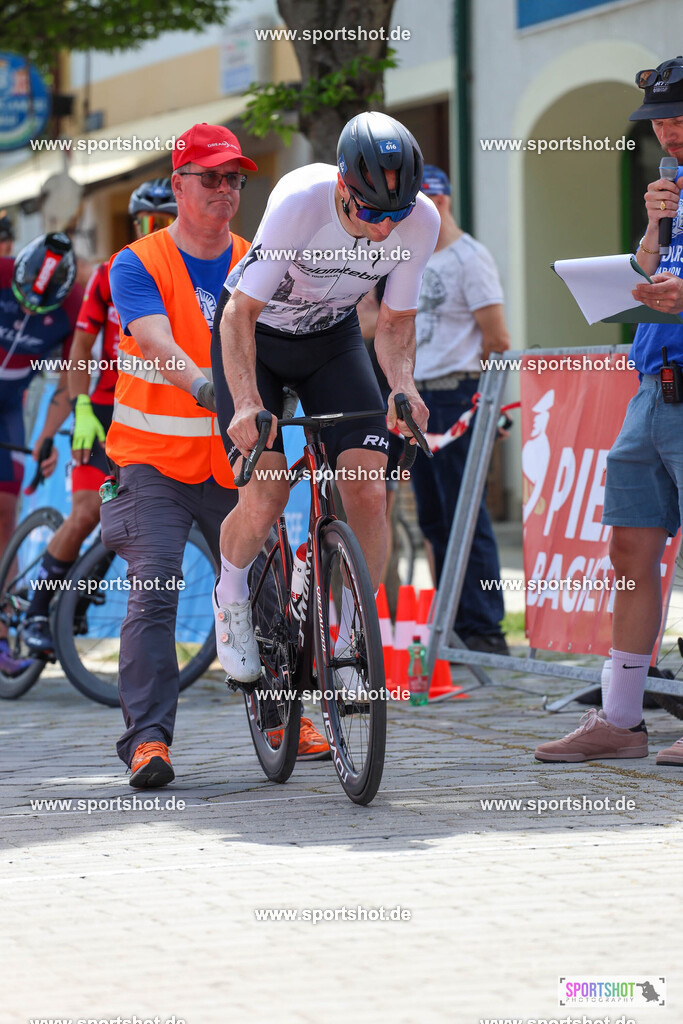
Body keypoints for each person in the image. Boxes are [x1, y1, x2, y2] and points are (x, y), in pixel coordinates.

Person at [105, 124, 329, 788]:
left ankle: (280, 719)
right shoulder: (137, 260)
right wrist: (210, 388)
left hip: (238, 459)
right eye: (211, 177)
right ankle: (148, 742)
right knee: (155, 589)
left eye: (235, 179)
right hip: (153, 461)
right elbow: (155, 340)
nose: (226, 190)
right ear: (177, 185)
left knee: (262, 595)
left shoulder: (256, 257)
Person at [211, 110, 440, 689]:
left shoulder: (421, 219)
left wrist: (403, 387)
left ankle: (351, 639)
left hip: (331, 339)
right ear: (342, 185)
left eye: (397, 215)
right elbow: (239, 313)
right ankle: (232, 593)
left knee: (368, 484)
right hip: (256, 338)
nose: (385, 230)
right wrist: (243, 403)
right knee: (265, 494)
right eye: (369, 213)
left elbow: (394, 324)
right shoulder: (301, 200)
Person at [535, 55, 683, 766]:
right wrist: (653, 235)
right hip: (651, 384)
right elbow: (651, 275)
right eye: (659, 120)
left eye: (679, 117)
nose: (668, 131)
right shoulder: (673, 185)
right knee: (629, 551)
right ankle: (620, 718)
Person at [21, 180, 179, 657]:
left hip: (156, 414)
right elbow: (80, 347)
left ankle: (80, 590)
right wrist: (80, 406)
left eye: (165, 221)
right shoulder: (114, 272)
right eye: (147, 223)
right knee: (88, 510)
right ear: (134, 226)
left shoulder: (189, 276)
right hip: (105, 409)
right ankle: (35, 610)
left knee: (137, 518)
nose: (156, 231)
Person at [410, 165, 510, 654]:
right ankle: (451, 621)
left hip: (457, 393)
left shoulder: (471, 258)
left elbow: (497, 340)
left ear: (441, 202)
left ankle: (485, 627)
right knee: (434, 518)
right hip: (418, 398)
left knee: (466, 515)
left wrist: (490, 408)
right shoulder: (409, 257)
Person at [0, 233, 82, 676]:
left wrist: (47, 438)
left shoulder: (72, 308)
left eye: (41, 308)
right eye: (22, 300)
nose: (30, 311)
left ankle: (0, 632)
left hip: (10, 406)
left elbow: (69, 384)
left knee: (4, 512)